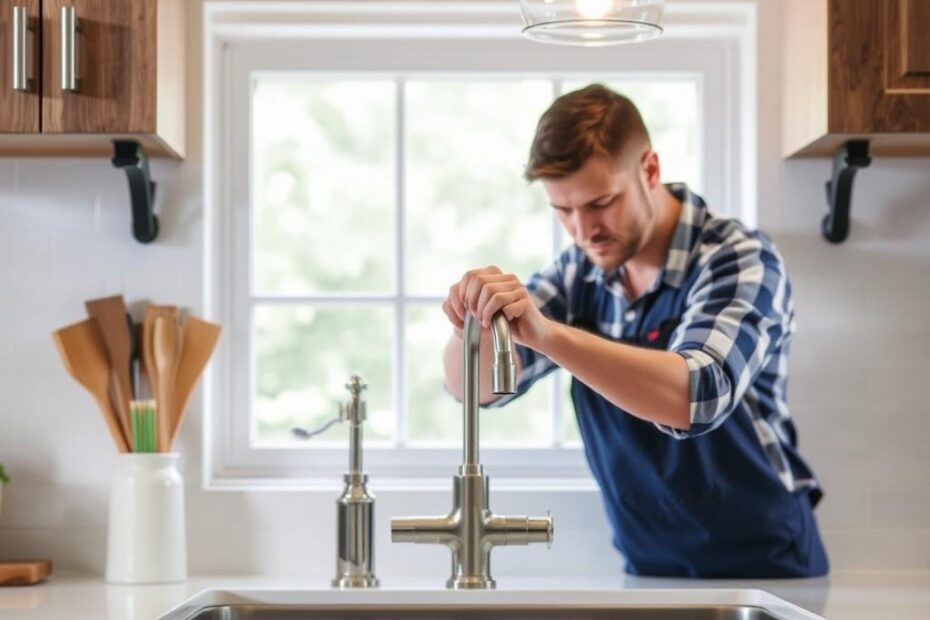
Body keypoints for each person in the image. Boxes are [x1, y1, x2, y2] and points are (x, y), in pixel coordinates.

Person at [441, 84, 829, 578]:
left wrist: (549, 336)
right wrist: (471, 325)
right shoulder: (578, 274)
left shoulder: (738, 258)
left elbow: (698, 393)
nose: (584, 231)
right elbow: (476, 389)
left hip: (766, 573)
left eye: (601, 202)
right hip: (647, 567)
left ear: (649, 170)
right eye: (563, 211)